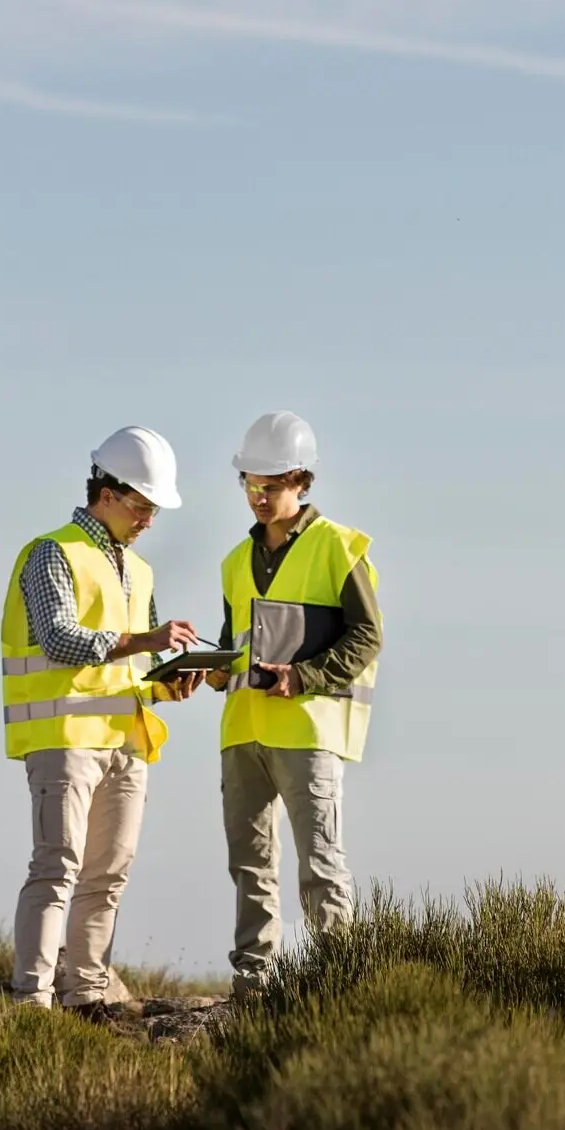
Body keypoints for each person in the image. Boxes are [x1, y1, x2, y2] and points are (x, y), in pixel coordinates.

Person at [0, 426, 204, 1015]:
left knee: (108, 876)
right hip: (64, 738)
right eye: (142, 507)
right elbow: (59, 638)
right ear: (107, 494)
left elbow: (136, 664)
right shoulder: (52, 552)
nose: (149, 521)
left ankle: (88, 997)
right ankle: (32, 1000)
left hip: (125, 742)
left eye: (154, 511)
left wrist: (169, 683)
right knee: (56, 869)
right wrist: (145, 640)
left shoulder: (140, 572)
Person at [211, 411, 382, 994]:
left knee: (321, 865)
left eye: (270, 485)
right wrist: (213, 670)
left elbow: (367, 636)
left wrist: (305, 676)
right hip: (243, 732)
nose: (257, 496)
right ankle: (253, 985)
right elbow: (236, 641)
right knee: (250, 866)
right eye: (249, 484)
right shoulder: (234, 561)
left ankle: (337, 987)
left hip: (308, 732)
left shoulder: (338, 547)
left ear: (301, 481)